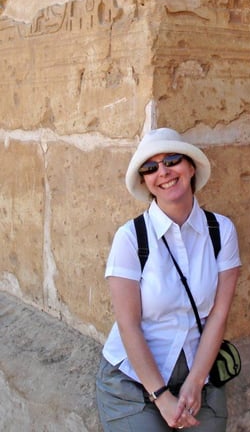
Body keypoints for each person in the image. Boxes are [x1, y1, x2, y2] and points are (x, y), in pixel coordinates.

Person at [96, 127, 241, 431]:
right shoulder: (130, 238)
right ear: (146, 181)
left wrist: (196, 381)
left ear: (190, 167)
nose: (162, 171)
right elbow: (128, 324)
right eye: (150, 167)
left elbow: (219, 314)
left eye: (172, 160)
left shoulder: (221, 231)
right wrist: (162, 397)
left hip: (198, 370)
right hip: (134, 381)